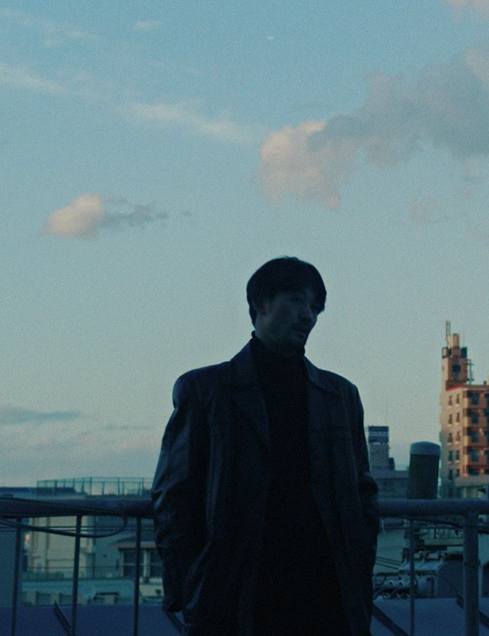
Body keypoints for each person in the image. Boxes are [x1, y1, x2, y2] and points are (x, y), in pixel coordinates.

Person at [152, 257, 379, 636]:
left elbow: (363, 491)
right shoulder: (207, 390)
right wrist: (189, 585)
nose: (308, 316)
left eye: (314, 307)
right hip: (240, 586)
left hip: (326, 587)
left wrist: (358, 561)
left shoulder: (340, 395)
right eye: (296, 301)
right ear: (261, 304)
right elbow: (175, 497)